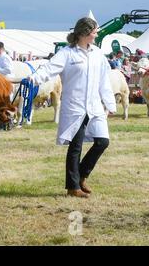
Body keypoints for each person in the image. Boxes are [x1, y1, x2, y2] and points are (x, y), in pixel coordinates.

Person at [28, 17, 116, 198]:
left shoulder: (98, 54)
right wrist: (33, 78)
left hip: (94, 106)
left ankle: (82, 175)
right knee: (76, 146)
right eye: (94, 31)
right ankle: (72, 187)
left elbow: (103, 81)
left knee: (103, 142)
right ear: (84, 33)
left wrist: (109, 103)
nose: (97, 33)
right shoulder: (67, 53)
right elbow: (49, 69)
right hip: (74, 107)